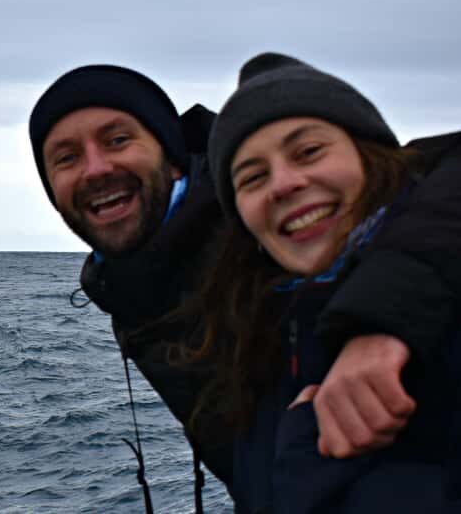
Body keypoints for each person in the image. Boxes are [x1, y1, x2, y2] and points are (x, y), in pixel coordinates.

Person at [28, 64, 430, 507]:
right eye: (66, 158)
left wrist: (383, 320)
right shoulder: (128, 287)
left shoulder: (266, 233)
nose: (96, 169)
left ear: (171, 155)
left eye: (118, 139)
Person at [185, 52, 461, 513]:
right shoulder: (267, 341)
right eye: (252, 177)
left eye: (309, 151)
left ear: (371, 156)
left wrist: (309, 467)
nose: (284, 183)